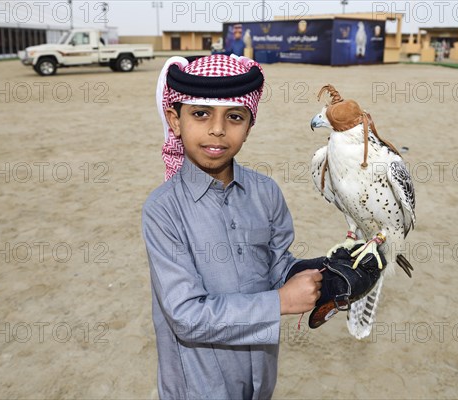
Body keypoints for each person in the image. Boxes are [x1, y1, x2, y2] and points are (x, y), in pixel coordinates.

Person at [142, 54, 384, 399]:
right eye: (200, 114)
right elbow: (185, 316)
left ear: (249, 126)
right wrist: (280, 302)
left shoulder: (265, 192)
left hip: (259, 375)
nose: (217, 129)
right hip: (198, 382)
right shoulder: (163, 210)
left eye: (234, 117)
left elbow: (274, 265)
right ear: (175, 120)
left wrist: (322, 274)